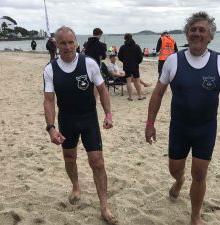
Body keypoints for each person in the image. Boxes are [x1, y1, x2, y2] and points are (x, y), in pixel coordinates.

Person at [145, 11, 220, 225]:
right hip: (179, 128)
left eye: (202, 30)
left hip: (205, 129)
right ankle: (179, 181)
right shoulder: (173, 61)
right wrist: (150, 124)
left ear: (210, 36)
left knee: (199, 174)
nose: (196, 34)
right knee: (175, 169)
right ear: (187, 34)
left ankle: (195, 216)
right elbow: (157, 94)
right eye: (193, 30)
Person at [43, 26, 117, 225]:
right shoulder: (51, 69)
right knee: (69, 157)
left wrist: (108, 114)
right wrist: (51, 127)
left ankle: (104, 206)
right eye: (62, 43)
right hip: (66, 119)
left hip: (88, 118)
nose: (67, 47)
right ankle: (76, 186)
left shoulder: (89, 64)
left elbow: (102, 90)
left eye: (70, 42)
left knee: (98, 162)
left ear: (76, 42)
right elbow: (49, 100)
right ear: (56, 45)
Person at [118, 33, 146, 101]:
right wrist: (137, 62)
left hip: (127, 65)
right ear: (131, 37)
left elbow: (119, 57)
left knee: (128, 80)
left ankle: (130, 97)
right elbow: (140, 57)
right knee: (137, 80)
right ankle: (139, 95)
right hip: (135, 65)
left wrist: (124, 61)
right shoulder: (136, 46)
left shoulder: (122, 47)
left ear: (125, 38)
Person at [84, 28, 107, 101]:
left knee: (89, 81)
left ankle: (90, 97)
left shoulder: (86, 43)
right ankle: (94, 98)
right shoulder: (101, 45)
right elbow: (103, 57)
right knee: (96, 82)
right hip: (96, 64)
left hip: (86, 64)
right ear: (100, 34)